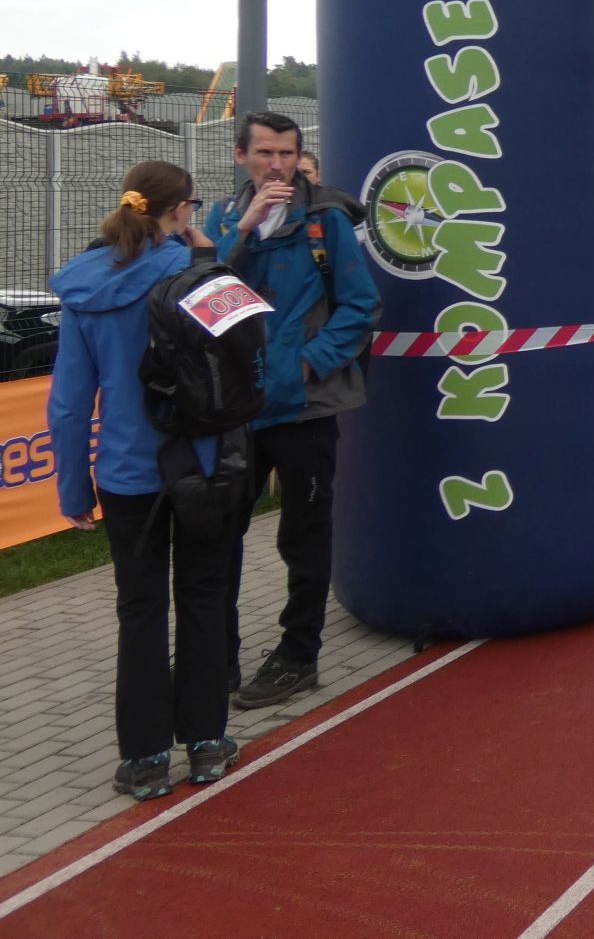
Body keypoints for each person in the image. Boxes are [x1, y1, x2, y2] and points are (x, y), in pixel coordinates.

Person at [48, 162, 240, 800]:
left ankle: (146, 757)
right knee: (205, 598)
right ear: (181, 211)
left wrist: (73, 489)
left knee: (140, 609)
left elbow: (69, 405)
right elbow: (245, 366)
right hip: (203, 462)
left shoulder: (83, 287)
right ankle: (207, 743)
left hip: (127, 473)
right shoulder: (201, 275)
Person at [206, 111, 380, 712]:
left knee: (303, 537)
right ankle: (218, 655)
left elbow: (361, 305)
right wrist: (242, 231)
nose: (276, 165)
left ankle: (298, 655)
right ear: (241, 157)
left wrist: (310, 362)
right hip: (239, 407)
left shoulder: (325, 220)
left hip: (305, 406)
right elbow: (200, 296)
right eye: (264, 153)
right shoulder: (222, 219)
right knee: (220, 533)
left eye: (286, 153)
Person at [296, 151, 364, 224]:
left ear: (317, 176)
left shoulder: (332, 209)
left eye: (306, 172)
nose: (301, 177)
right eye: (295, 172)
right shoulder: (286, 207)